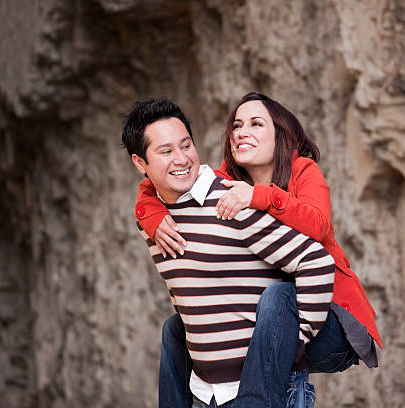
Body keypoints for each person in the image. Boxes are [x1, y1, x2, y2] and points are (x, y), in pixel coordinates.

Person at [135, 93, 382, 407]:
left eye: (255, 123)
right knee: (176, 327)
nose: (241, 132)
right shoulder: (232, 181)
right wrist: (150, 213)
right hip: (277, 322)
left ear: (279, 135)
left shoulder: (301, 170)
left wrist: (260, 197)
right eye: (236, 125)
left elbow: (318, 225)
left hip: (329, 320)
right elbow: (168, 180)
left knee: (277, 296)